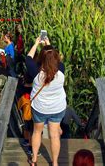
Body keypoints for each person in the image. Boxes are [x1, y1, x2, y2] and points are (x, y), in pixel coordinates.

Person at [27, 37, 66, 166]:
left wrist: (36, 43)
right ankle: (54, 163)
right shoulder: (61, 70)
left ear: (41, 59)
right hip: (57, 107)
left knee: (37, 132)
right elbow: (55, 59)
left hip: (40, 108)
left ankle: (34, 161)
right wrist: (48, 44)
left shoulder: (36, 73)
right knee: (54, 135)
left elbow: (28, 58)